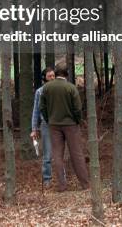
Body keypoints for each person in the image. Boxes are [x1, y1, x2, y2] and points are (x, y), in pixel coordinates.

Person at [40, 63, 89, 192]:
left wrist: (49, 119)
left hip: (54, 125)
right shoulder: (71, 88)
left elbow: (42, 108)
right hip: (71, 125)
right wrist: (78, 121)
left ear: (56, 74)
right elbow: (77, 109)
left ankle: (62, 185)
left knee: (57, 155)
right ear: (67, 74)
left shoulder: (46, 88)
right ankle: (85, 184)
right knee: (77, 154)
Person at [30, 67, 55, 186]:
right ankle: (47, 179)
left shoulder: (58, 90)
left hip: (59, 123)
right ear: (44, 78)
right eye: (49, 76)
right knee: (47, 153)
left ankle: (62, 177)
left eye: (53, 76)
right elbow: (36, 111)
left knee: (59, 152)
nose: (52, 78)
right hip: (46, 124)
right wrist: (34, 128)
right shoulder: (40, 92)